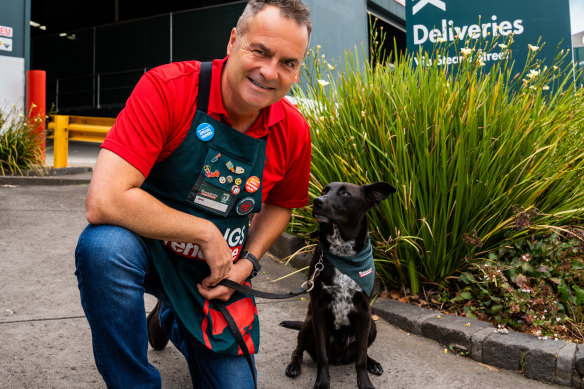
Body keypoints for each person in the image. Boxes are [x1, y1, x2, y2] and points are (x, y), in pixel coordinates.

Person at [74, 0, 312, 387]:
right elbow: (105, 199)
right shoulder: (168, 88)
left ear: (297, 71)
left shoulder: (294, 131)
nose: (270, 72)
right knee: (102, 248)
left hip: (212, 276)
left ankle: (172, 316)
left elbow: (283, 205)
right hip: (145, 250)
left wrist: (247, 262)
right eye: (260, 51)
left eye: (288, 62)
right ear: (234, 41)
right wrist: (205, 232)